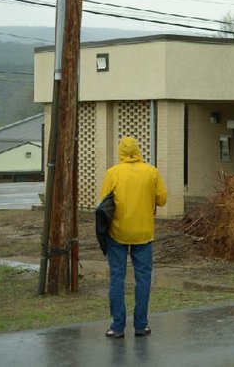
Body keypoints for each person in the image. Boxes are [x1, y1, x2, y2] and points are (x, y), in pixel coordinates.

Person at [99, 136, 167, 339]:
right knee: (143, 278)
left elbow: (103, 201)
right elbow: (162, 200)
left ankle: (117, 327)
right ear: (138, 150)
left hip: (117, 233)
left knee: (117, 278)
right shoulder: (151, 171)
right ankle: (141, 325)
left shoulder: (113, 173)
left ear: (120, 152)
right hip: (144, 233)